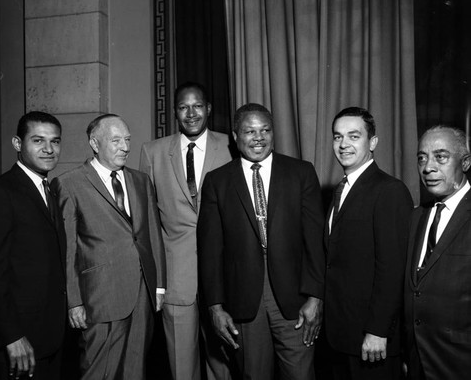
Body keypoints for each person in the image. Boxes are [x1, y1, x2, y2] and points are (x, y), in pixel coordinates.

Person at [197, 103, 325, 380]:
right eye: (250, 131)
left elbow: (315, 242)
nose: (258, 137)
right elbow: (210, 251)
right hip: (244, 301)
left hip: (295, 300)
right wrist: (215, 307)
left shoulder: (301, 173)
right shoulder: (217, 182)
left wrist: (315, 298)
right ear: (235, 135)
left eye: (265, 130)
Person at [52, 114, 166, 379]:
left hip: (142, 294)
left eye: (127, 140)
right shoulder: (69, 183)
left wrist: (159, 285)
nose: (125, 147)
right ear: (94, 143)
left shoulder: (141, 181)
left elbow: (152, 236)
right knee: (98, 371)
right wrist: (74, 302)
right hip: (100, 297)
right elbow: (68, 249)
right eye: (116, 141)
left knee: (135, 370)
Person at [139, 82, 234, 380]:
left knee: (225, 367)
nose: (190, 113)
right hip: (176, 280)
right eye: (183, 107)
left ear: (208, 109)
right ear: (175, 112)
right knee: (181, 369)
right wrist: (157, 282)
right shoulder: (152, 152)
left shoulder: (232, 145)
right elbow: (146, 224)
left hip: (224, 278)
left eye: (197, 106)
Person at [0, 111, 66, 379]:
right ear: (17, 144)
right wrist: (11, 336)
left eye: (55, 141)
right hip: (17, 345)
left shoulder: (49, 191)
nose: (49, 149)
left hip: (48, 339)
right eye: (38, 141)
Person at [324, 107, 413, 379]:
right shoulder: (342, 189)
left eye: (353, 136)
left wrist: (377, 330)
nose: (344, 144)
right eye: (338, 137)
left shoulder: (389, 190)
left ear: (372, 142)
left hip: (371, 339)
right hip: (341, 335)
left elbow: (393, 268)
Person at [404, 125, 471, 380]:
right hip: (418, 361)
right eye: (422, 157)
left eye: (440, 157)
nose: (428, 167)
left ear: (465, 162)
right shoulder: (417, 217)